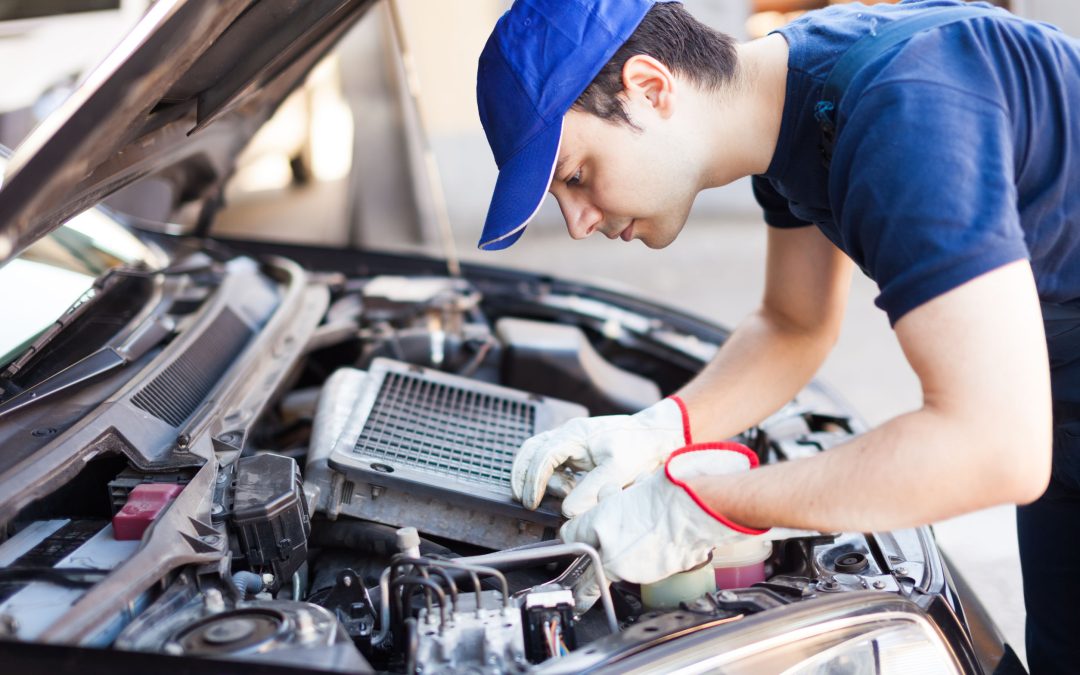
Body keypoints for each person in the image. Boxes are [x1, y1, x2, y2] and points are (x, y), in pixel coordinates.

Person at [475, 0, 1079, 671]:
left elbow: (993, 446)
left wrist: (705, 506)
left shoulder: (905, 116)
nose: (580, 222)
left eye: (577, 176)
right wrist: (658, 431)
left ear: (650, 89)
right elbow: (794, 324)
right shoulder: (788, 101)